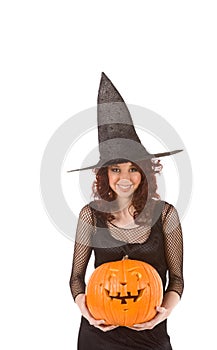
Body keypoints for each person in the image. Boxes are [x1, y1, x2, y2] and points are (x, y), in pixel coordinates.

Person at [68, 73, 184, 350]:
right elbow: (76, 278)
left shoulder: (166, 215)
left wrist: (163, 314)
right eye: (115, 168)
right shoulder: (90, 216)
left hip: (150, 333)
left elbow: (177, 279)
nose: (124, 177)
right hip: (98, 333)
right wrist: (87, 312)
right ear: (104, 174)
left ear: (144, 172)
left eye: (133, 168)